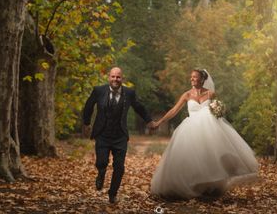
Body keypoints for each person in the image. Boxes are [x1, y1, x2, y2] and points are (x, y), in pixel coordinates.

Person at [150, 69, 258, 199]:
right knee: (192, 157)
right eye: (191, 77)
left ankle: (209, 187)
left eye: (195, 77)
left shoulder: (211, 94)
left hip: (210, 129)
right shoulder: (187, 95)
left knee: (209, 156)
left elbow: (218, 110)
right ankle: (190, 185)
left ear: (202, 79)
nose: (192, 79)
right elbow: (174, 110)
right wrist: (160, 122)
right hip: (190, 129)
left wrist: (219, 110)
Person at [82, 67, 154, 204]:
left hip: (120, 135)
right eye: (113, 77)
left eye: (118, 77)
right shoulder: (99, 90)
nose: (115, 79)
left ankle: (112, 194)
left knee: (119, 167)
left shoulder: (129, 93)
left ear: (122, 79)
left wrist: (148, 120)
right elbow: (88, 106)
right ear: (109, 77)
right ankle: (101, 173)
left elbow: (139, 107)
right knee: (101, 162)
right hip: (102, 133)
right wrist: (86, 123)